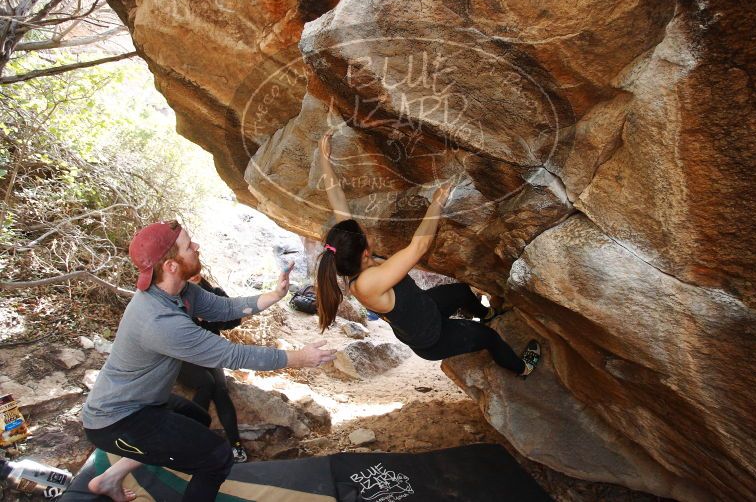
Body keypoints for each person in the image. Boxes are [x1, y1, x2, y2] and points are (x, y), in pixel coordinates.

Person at [81, 221, 336, 502]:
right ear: (171, 266)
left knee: (198, 417)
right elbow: (233, 355)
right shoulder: (158, 320)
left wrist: (275, 295)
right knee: (216, 457)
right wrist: (300, 358)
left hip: (142, 403)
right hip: (117, 420)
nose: (196, 248)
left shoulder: (179, 292)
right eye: (189, 247)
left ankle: (109, 479)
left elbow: (223, 308)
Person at [315, 128, 540, 377]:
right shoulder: (367, 284)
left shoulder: (352, 257)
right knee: (488, 337)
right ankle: (523, 368)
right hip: (432, 338)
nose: (364, 227)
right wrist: (436, 204)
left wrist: (325, 159)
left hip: (426, 307)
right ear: (364, 253)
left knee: (462, 292)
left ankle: (488, 313)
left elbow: (338, 201)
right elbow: (418, 247)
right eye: (363, 232)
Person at [176, 274, 248, 463]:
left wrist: (210, 316)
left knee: (221, 390)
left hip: (209, 351)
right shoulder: (173, 294)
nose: (192, 277)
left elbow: (233, 319)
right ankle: (191, 442)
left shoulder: (212, 293)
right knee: (206, 383)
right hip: (182, 353)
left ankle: (236, 446)